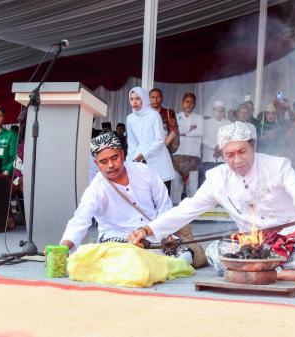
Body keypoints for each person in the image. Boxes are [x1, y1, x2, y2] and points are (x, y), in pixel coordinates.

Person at [128, 121, 295, 285]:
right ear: (221, 154)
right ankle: (279, 273)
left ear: (253, 146)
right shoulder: (217, 179)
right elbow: (187, 209)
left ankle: (260, 272)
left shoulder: (278, 166)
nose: (237, 160)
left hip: (293, 238)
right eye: (229, 155)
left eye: (242, 152)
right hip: (252, 246)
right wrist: (147, 229)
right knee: (215, 252)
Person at [60, 132, 192, 263]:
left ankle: (157, 267)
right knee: (130, 258)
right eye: (103, 161)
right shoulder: (96, 188)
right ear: (96, 163)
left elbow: (164, 205)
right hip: (117, 236)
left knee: (185, 257)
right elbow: (80, 220)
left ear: (122, 154)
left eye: (114, 158)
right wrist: (64, 248)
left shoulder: (144, 171)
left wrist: (163, 230)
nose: (110, 165)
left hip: (152, 231)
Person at [126, 87, 175, 192]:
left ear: (144, 99)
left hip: (158, 158)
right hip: (139, 160)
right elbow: (132, 142)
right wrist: (129, 161)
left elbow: (160, 140)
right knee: (143, 194)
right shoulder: (130, 118)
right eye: (131, 99)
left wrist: (144, 154)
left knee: (162, 194)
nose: (134, 102)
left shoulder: (154, 115)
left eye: (138, 98)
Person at [172, 92, 203, 203]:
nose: (189, 104)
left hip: (193, 157)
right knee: (176, 188)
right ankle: (175, 214)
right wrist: (189, 129)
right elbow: (175, 132)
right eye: (187, 102)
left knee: (193, 189)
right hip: (178, 156)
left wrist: (184, 132)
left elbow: (200, 132)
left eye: (191, 102)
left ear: (194, 104)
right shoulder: (176, 117)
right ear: (182, 103)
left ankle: (193, 217)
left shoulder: (199, 118)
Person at [199, 100, 231, 186]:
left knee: (221, 184)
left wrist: (220, 149)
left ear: (224, 111)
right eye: (217, 110)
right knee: (207, 184)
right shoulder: (206, 123)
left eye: (222, 111)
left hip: (223, 159)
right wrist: (215, 147)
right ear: (213, 111)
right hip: (208, 158)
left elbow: (230, 139)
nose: (219, 113)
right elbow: (203, 138)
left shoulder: (229, 124)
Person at [149, 88, 179, 154]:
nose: (155, 100)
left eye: (158, 97)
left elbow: (174, 131)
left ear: (162, 98)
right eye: (153, 97)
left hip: (164, 148)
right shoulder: (145, 113)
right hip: (148, 149)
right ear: (149, 99)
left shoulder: (168, 113)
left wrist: (164, 145)